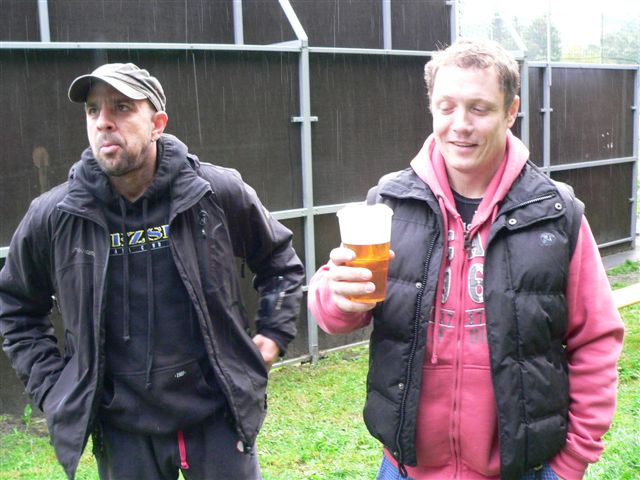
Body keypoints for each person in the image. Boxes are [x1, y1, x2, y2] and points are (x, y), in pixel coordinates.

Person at [308, 39, 624, 480]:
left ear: (511, 111)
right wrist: (338, 296)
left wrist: (571, 462)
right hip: (404, 469)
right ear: (431, 108)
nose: (460, 125)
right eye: (446, 107)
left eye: (479, 108)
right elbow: (332, 310)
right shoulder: (390, 203)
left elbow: (597, 338)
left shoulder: (556, 213)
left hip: (523, 469)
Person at [0, 63, 304, 480]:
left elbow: (279, 261)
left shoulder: (215, 193)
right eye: (93, 110)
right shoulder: (55, 216)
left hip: (216, 417)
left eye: (122, 107)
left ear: (157, 124)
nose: (103, 122)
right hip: (122, 430)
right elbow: (16, 307)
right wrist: (54, 387)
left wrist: (273, 335)